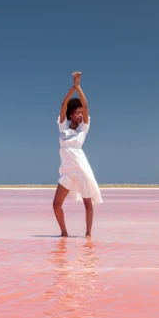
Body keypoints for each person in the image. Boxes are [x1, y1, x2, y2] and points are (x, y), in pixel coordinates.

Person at [53, 71, 102, 238]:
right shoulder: (63, 127)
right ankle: (64, 233)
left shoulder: (83, 129)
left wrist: (78, 88)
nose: (81, 115)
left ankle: (88, 234)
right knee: (56, 204)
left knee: (87, 202)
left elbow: (87, 106)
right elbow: (63, 104)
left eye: (82, 113)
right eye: (78, 112)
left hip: (80, 169)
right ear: (71, 115)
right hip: (66, 170)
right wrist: (72, 88)